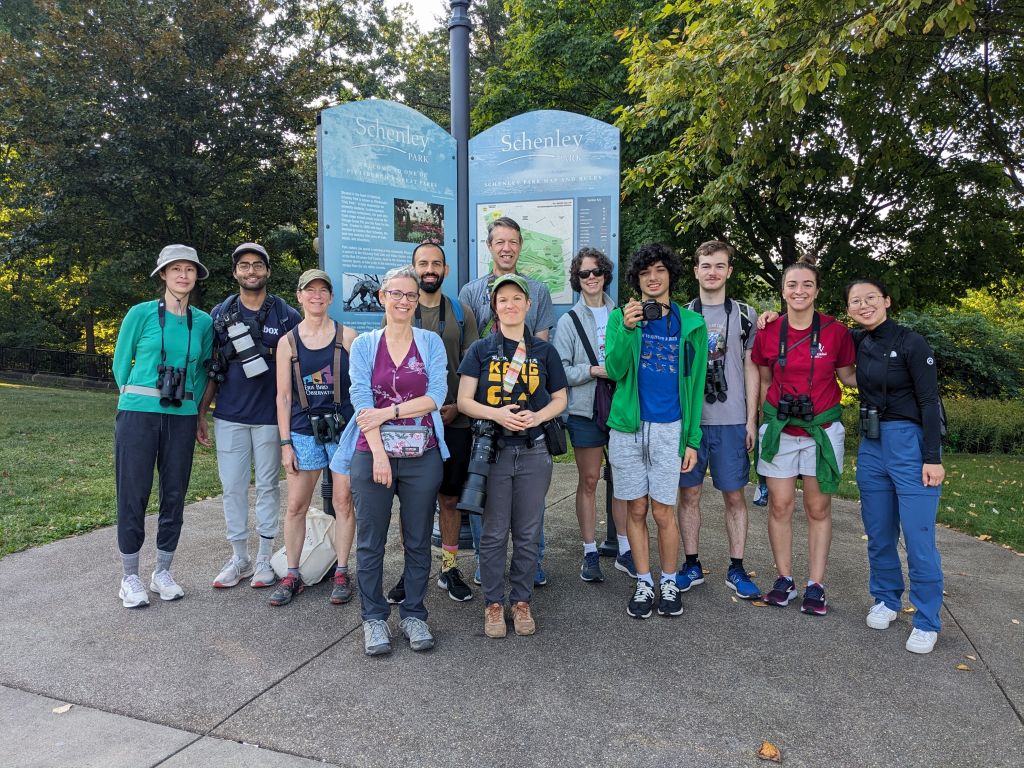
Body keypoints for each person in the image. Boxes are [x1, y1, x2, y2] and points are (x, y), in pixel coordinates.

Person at [333, 265, 450, 656]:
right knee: (370, 542)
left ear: (417, 302)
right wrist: (379, 452)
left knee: (418, 540)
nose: (403, 301)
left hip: (423, 454)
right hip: (372, 455)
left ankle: (415, 613)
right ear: (382, 297)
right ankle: (374, 619)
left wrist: (389, 414)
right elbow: (362, 402)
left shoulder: (430, 342)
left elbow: (435, 395)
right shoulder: (365, 345)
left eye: (410, 295)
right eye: (395, 294)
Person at [457, 274, 567, 638]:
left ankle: (521, 602)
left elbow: (560, 398)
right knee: (492, 533)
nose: (510, 305)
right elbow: (464, 401)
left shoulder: (544, 351)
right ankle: (492, 603)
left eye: (516, 298)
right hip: (495, 454)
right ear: (494, 306)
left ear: (528, 304)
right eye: (502, 299)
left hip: (534, 451)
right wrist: (496, 414)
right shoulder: (481, 350)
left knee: (528, 531)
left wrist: (538, 416)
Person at [606, 243, 708, 620]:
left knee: (664, 511)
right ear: (637, 278)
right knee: (635, 507)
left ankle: (669, 580)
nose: (653, 277)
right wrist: (629, 329)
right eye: (646, 271)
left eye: (660, 270)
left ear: (671, 275)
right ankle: (643, 582)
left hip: (670, 428)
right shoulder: (622, 317)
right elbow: (615, 370)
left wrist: (691, 440)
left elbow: (696, 387)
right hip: (628, 428)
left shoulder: (690, 325)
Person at [751, 257, 856, 616]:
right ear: (782, 291)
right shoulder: (767, 330)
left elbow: (849, 377)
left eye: (807, 285)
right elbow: (764, 381)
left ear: (817, 290)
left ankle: (816, 584)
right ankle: (784, 579)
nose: (799, 291)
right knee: (780, 505)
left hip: (821, 429)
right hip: (781, 428)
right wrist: (758, 421)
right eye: (792, 285)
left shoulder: (836, 331)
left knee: (818, 507)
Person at [111, 244, 214, 608]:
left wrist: (194, 407)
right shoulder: (140, 314)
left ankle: (162, 572)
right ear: (163, 275)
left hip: (181, 416)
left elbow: (201, 371)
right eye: (176, 269)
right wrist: (131, 395)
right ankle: (130, 577)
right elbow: (121, 360)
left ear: (195, 277)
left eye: (189, 269)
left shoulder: (202, 322)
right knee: (133, 492)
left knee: (174, 493)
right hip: (138, 415)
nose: (183, 275)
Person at [846, 278, 945, 654]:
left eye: (871, 298)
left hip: (911, 444)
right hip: (872, 445)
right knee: (879, 531)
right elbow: (812, 325)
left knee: (919, 538)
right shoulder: (857, 340)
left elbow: (930, 401)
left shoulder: (911, 342)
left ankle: (926, 619)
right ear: (850, 309)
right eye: (856, 301)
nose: (864, 305)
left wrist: (932, 458)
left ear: (886, 300)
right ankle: (886, 598)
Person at [458, 216, 557, 585]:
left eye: (513, 241)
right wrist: (490, 408)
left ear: (519, 246)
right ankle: (488, 563)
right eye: (499, 241)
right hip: (487, 409)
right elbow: (471, 349)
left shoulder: (539, 290)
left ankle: (535, 561)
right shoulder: (470, 292)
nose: (506, 247)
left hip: (528, 408)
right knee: (486, 489)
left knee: (531, 498)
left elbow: (541, 347)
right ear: (489, 246)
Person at [197, 243, 301, 591]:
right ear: (235, 272)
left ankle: (263, 558)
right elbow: (213, 368)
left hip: (272, 418)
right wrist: (201, 413)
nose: (251, 271)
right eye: (244, 266)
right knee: (233, 487)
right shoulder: (220, 313)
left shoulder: (286, 316)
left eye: (258, 265)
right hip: (229, 415)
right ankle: (238, 556)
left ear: (268, 271)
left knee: (269, 486)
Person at [384, 242, 480, 605]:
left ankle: (449, 567)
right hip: (408, 425)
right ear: (413, 268)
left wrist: (456, 405)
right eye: (422, 263)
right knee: (411, 502)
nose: (429, 269)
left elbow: (472, 366)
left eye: (435, 263)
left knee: (450, 498)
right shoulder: (398, 309)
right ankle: (412, 571)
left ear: (446, 270)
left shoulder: (461, 312)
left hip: (453, 420)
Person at [676, 241, 762, 599]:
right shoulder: (680, 315)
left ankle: (737, 567)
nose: (712, 271)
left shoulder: (746, 314)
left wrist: (751, 419)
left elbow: (751, 366)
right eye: (705, 265)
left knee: (734, 496)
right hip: (691, 422)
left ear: (729, 271)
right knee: (689, 494)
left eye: (719, 265)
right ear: (695, 270)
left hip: (731, 420)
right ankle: (691, 564)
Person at [269, 269, 358, 608]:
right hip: (304, 432)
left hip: (342, 430)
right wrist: (285, 443)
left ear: (331, 297)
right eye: (311, 291)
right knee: (296, 506)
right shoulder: (287, 342)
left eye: (323, 290)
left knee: (343, 502)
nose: (317, 296)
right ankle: (293, 572)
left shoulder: (348, 336)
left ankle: (342, 570)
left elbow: (362, 387)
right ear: (300, 295)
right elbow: (283, 396)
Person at [554, 247, 631, 582]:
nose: (591, 278)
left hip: (622, 407)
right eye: (584, 273)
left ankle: (625, 548)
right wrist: (595, 370)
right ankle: (589, 551)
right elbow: (561, 370)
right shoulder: (569, 320)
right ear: (577, 278)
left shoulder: (623, 314)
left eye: (597, 272)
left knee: (623, 482)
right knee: (588, 481)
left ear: (605, 275)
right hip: (585, 409)